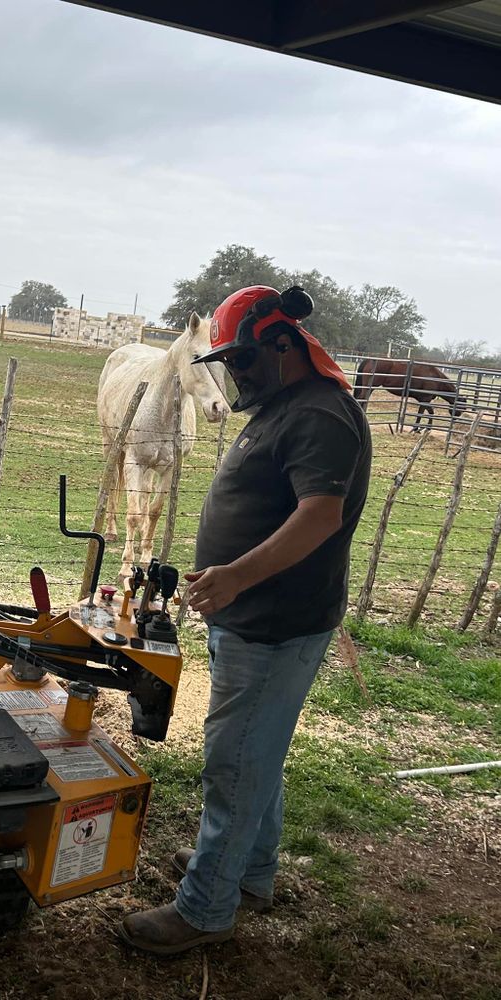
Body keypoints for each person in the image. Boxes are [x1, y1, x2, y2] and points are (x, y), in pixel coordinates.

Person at [119, 285, 372, 956]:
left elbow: (320, 514)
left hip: (276, 622)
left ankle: (206, 908)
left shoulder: (321, 415)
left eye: (246, 359)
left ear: (284, 345)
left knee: (235, 765)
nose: (236, 374)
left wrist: (234, 576)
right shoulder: (286, 406)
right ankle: (250, 874)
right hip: (253, 614)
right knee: (257, 754)